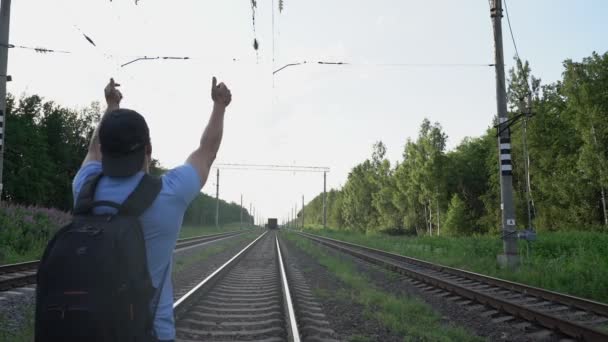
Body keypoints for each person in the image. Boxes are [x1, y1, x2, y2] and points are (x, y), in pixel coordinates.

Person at [71, 77, 232, 341]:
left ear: (105, 149)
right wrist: (219, 106)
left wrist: (111, 106)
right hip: (150, 333)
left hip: (88, 332)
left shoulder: (83, 189)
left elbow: (93, 151)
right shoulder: (168, 194)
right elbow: (207, 151)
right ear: (148, 149)